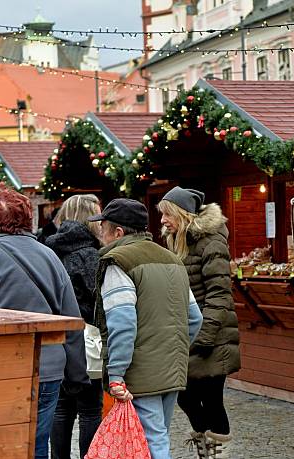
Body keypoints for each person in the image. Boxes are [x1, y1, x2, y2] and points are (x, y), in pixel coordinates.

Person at [89, 198, 203, 459]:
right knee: (157, 433)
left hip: (139, 370)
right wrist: (172, 349)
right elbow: (194, 319)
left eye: (103, 227)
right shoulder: (172, 260)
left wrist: (116, 373)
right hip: (171, 366)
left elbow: (122, 323)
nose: (100, 234)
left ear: (118, 232)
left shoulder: (118, 262)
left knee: (152, 439)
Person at [0, 185, 89, 459]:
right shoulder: (49, 255)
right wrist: (77, 375)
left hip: (5, 368)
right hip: (47, 369)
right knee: (35, 445)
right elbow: (71, 319)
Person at [158, 187, 241, 458]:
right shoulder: (177, 241)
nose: (162, 220)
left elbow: (220, 295)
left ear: (183, 214)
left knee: (211, 400)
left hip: (212, 337)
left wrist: (204, 336)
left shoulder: (211, 242)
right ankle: (207, 449)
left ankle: (216, 452)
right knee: (186, 396)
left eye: (167, 214)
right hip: (188, 336)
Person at [46, 194, 104, 459]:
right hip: (86, 340)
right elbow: (98, 299)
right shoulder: (91, 254)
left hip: (56, 337)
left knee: (61, 408)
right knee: (90, 409)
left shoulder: (49, 251)